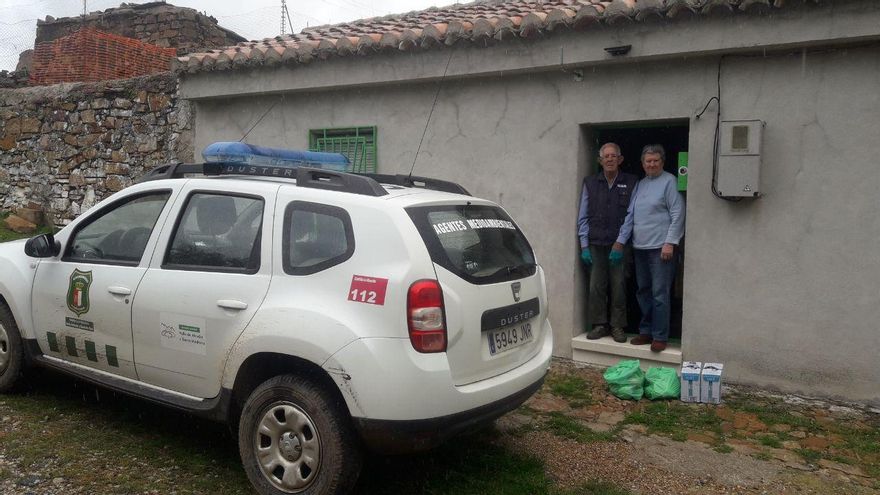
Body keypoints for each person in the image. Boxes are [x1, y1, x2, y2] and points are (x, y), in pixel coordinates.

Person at [612, 144, 685, 352]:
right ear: (643, 164)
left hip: (661, 249)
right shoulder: (641, 184)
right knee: (643, 291)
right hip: (640, 247)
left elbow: (678, 214)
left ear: (662, 162)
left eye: (655, 161)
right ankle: (645, 331)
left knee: (659, 293)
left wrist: (670, 242)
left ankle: (660, 336)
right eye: (648, 161)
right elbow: (631, 215)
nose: (651, 164)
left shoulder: (669, 181)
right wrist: (620, 240)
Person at [577, 143, 638, 343]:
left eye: (614, 156)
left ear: (620, 160)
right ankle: (599, 325)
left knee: (619, 286)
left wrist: (620, 243)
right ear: (600, 160)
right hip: (595, 244)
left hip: (619, 246)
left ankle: (617, 326)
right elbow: (583, 215)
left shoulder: (631, 182)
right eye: (606, 156)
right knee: (596, 286)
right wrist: (584, 245)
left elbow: (631, 216)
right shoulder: (590, 183)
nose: (610, 159)